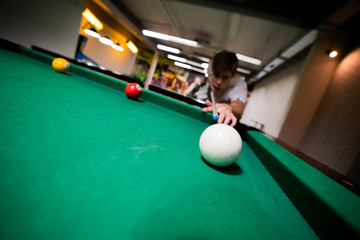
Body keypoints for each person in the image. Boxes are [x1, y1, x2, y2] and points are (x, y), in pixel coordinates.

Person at [201, 51, 248, 127]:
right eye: (216, 75)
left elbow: (239, 108)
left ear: (232, 76)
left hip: (226, 115)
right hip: (211, 98)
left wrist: (229, 107)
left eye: (225, 78)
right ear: (212, 70)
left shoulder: (239, 84)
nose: (219, 82)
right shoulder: (210, 68)